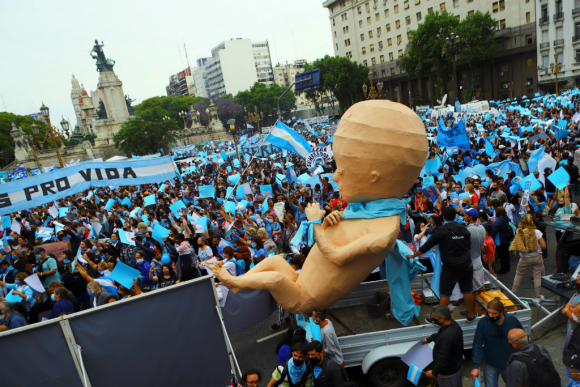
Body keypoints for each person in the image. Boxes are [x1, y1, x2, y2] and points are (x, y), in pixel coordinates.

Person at [407, 206, 475, 321]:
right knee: (467, 290)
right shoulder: (464, 228)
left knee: (445, 293)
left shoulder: (441, 230)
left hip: (450, 266)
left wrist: (413, 255)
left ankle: (439, 318)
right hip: (466, 264)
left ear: (443, 216)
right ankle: (471, 315)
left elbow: (426, 246)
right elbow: (468, 245)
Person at [471, 300, 523, 387]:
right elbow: (477, 344)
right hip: (490, 364)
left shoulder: (513, 322)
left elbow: (523, 340)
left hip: (510, 364)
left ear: (501, 312)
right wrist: (476, 366)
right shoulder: (483, 323)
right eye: (489, 312)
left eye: (494, 313)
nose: (490, 316)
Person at [422, 305, 464, 387]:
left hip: (448, 374)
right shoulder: (454, 325)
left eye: (435, 317)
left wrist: (433, 372)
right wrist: (430, 339)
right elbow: (440, 335)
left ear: (442, 319)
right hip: (457, 367)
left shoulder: (446, 338)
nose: (434, 319)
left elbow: (443, 358)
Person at [510, 214, 546, 301]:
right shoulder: (537, 232)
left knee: (519, 274)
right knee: (537, 276)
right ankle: (538, 296)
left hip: (524, 258)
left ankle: (513, 293)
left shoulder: (519, 232)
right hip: (537, 256)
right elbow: (544, 246)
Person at [463, 208, 485, 295]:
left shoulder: (467, 230)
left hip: (470, 263)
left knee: (473, 290)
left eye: (465, 215)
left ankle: (474, 308)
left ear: (470, 217)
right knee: (480, 286)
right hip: (478, 261)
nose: (463, 217)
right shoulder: (482, 227)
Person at [492, 207, 513, 274]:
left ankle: (503, 269)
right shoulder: (507, 218)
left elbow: (494, 231)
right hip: (507, 237)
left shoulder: (497, 221)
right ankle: (507, 266)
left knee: (501, 254)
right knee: (506, 252)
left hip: (500, 239)